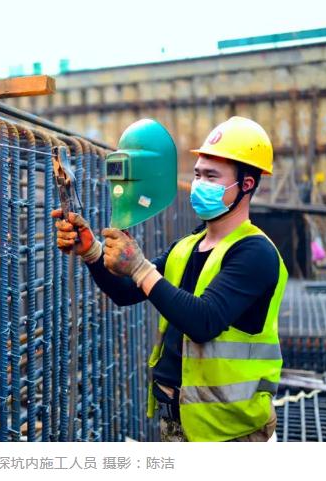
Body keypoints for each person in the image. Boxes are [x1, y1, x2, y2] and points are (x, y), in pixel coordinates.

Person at [52, 116, 288, 442]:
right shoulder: (187, 246)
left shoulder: (255, 253)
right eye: (197, 174)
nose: (200, 184)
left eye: (212, 177)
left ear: (246, 184)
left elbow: (204, 320)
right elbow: (126, 292)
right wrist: (91, 251)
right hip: (179, 421)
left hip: (231, 433)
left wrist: (139, 267)